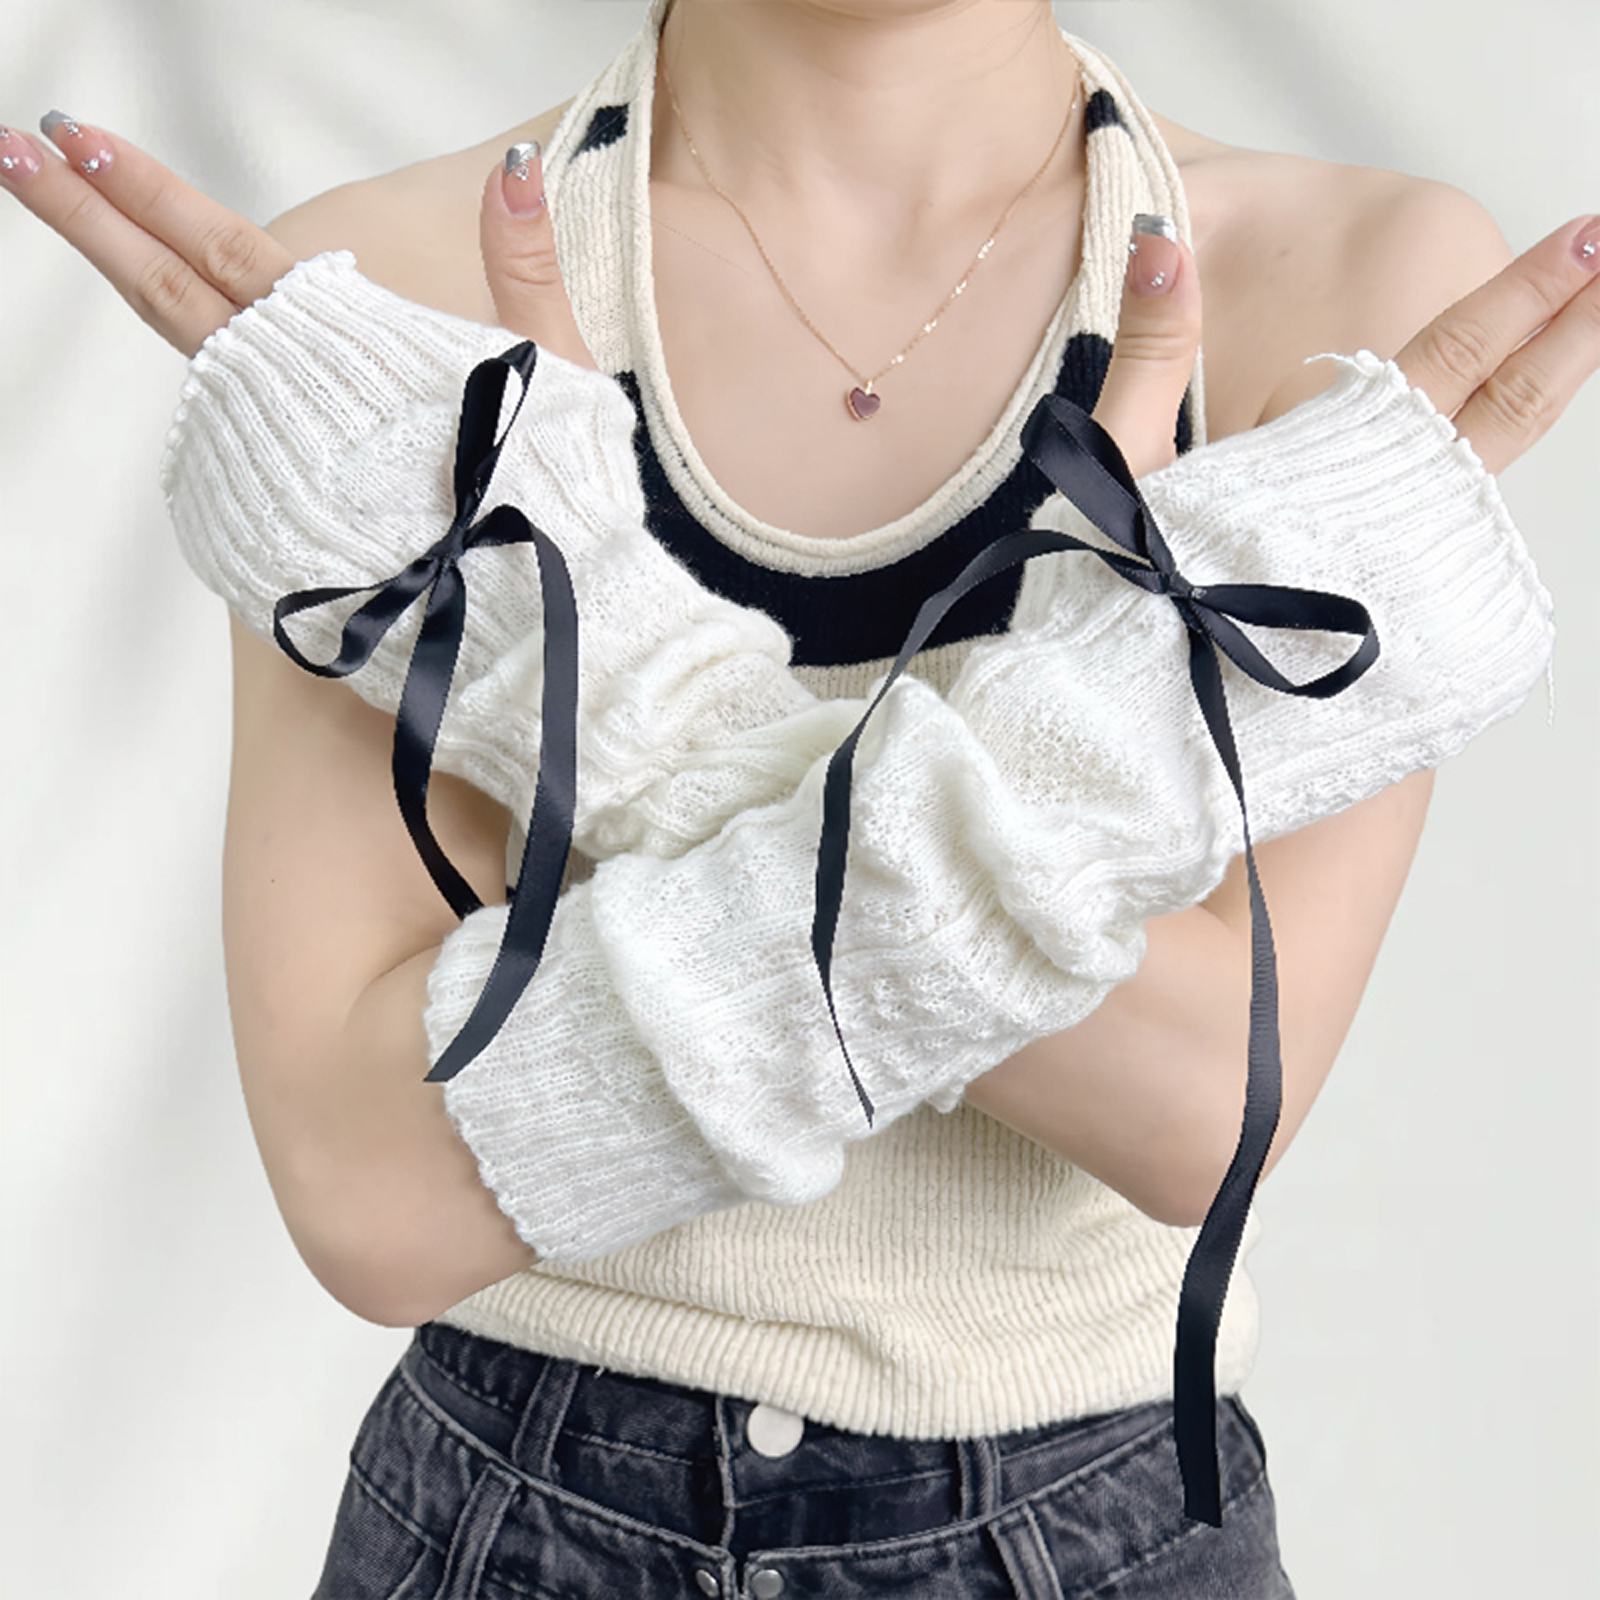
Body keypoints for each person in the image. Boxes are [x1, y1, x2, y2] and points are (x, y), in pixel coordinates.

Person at [1, 0, 1591, 1593]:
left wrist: (628, 690)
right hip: (509, 1511)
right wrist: (1053, 792)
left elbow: (1191, 1113)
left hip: (1091, 1522)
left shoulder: (1338, 275)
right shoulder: (391, 285)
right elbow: (375, 1195)